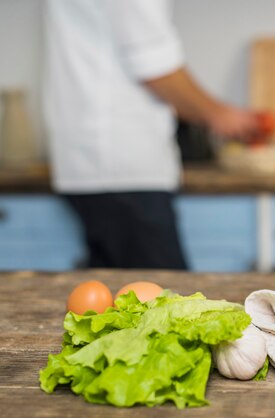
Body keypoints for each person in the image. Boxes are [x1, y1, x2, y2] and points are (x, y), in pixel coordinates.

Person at [43, 0, 259, 269]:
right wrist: (217, 113)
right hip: (123, 163)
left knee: (119, 299)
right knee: (163, 298)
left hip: (96, 159)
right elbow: (153, 64)